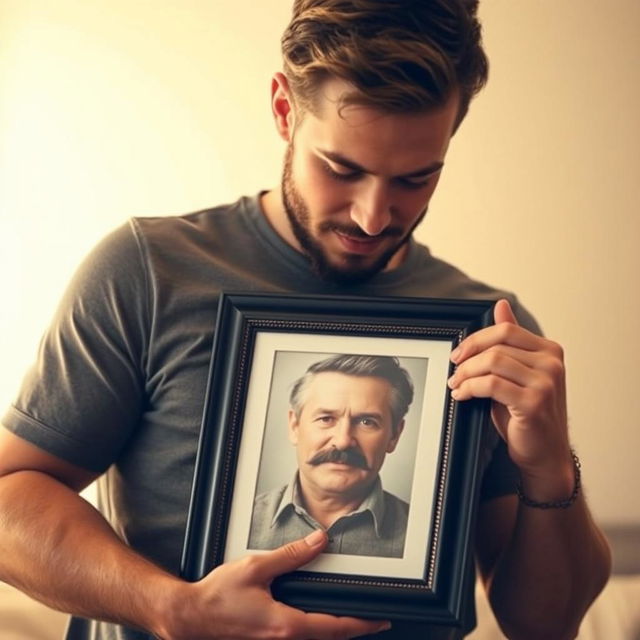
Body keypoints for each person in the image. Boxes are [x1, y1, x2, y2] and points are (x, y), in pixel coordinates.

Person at [0, 1, 611, 639]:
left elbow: (546, 625)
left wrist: (549, 467)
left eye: (416, 178)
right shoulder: (148, 271)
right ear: (284, 111)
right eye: (342, 170)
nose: (374, 216)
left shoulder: (493, 331)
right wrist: (169, 607)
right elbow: (9, 496)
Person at [249, 354, 414, 558]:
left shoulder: (430, 536)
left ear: (394, 436)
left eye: (367, 422)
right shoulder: (235, 524)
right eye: (326, 418)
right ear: (294, 426)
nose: (343, 441)